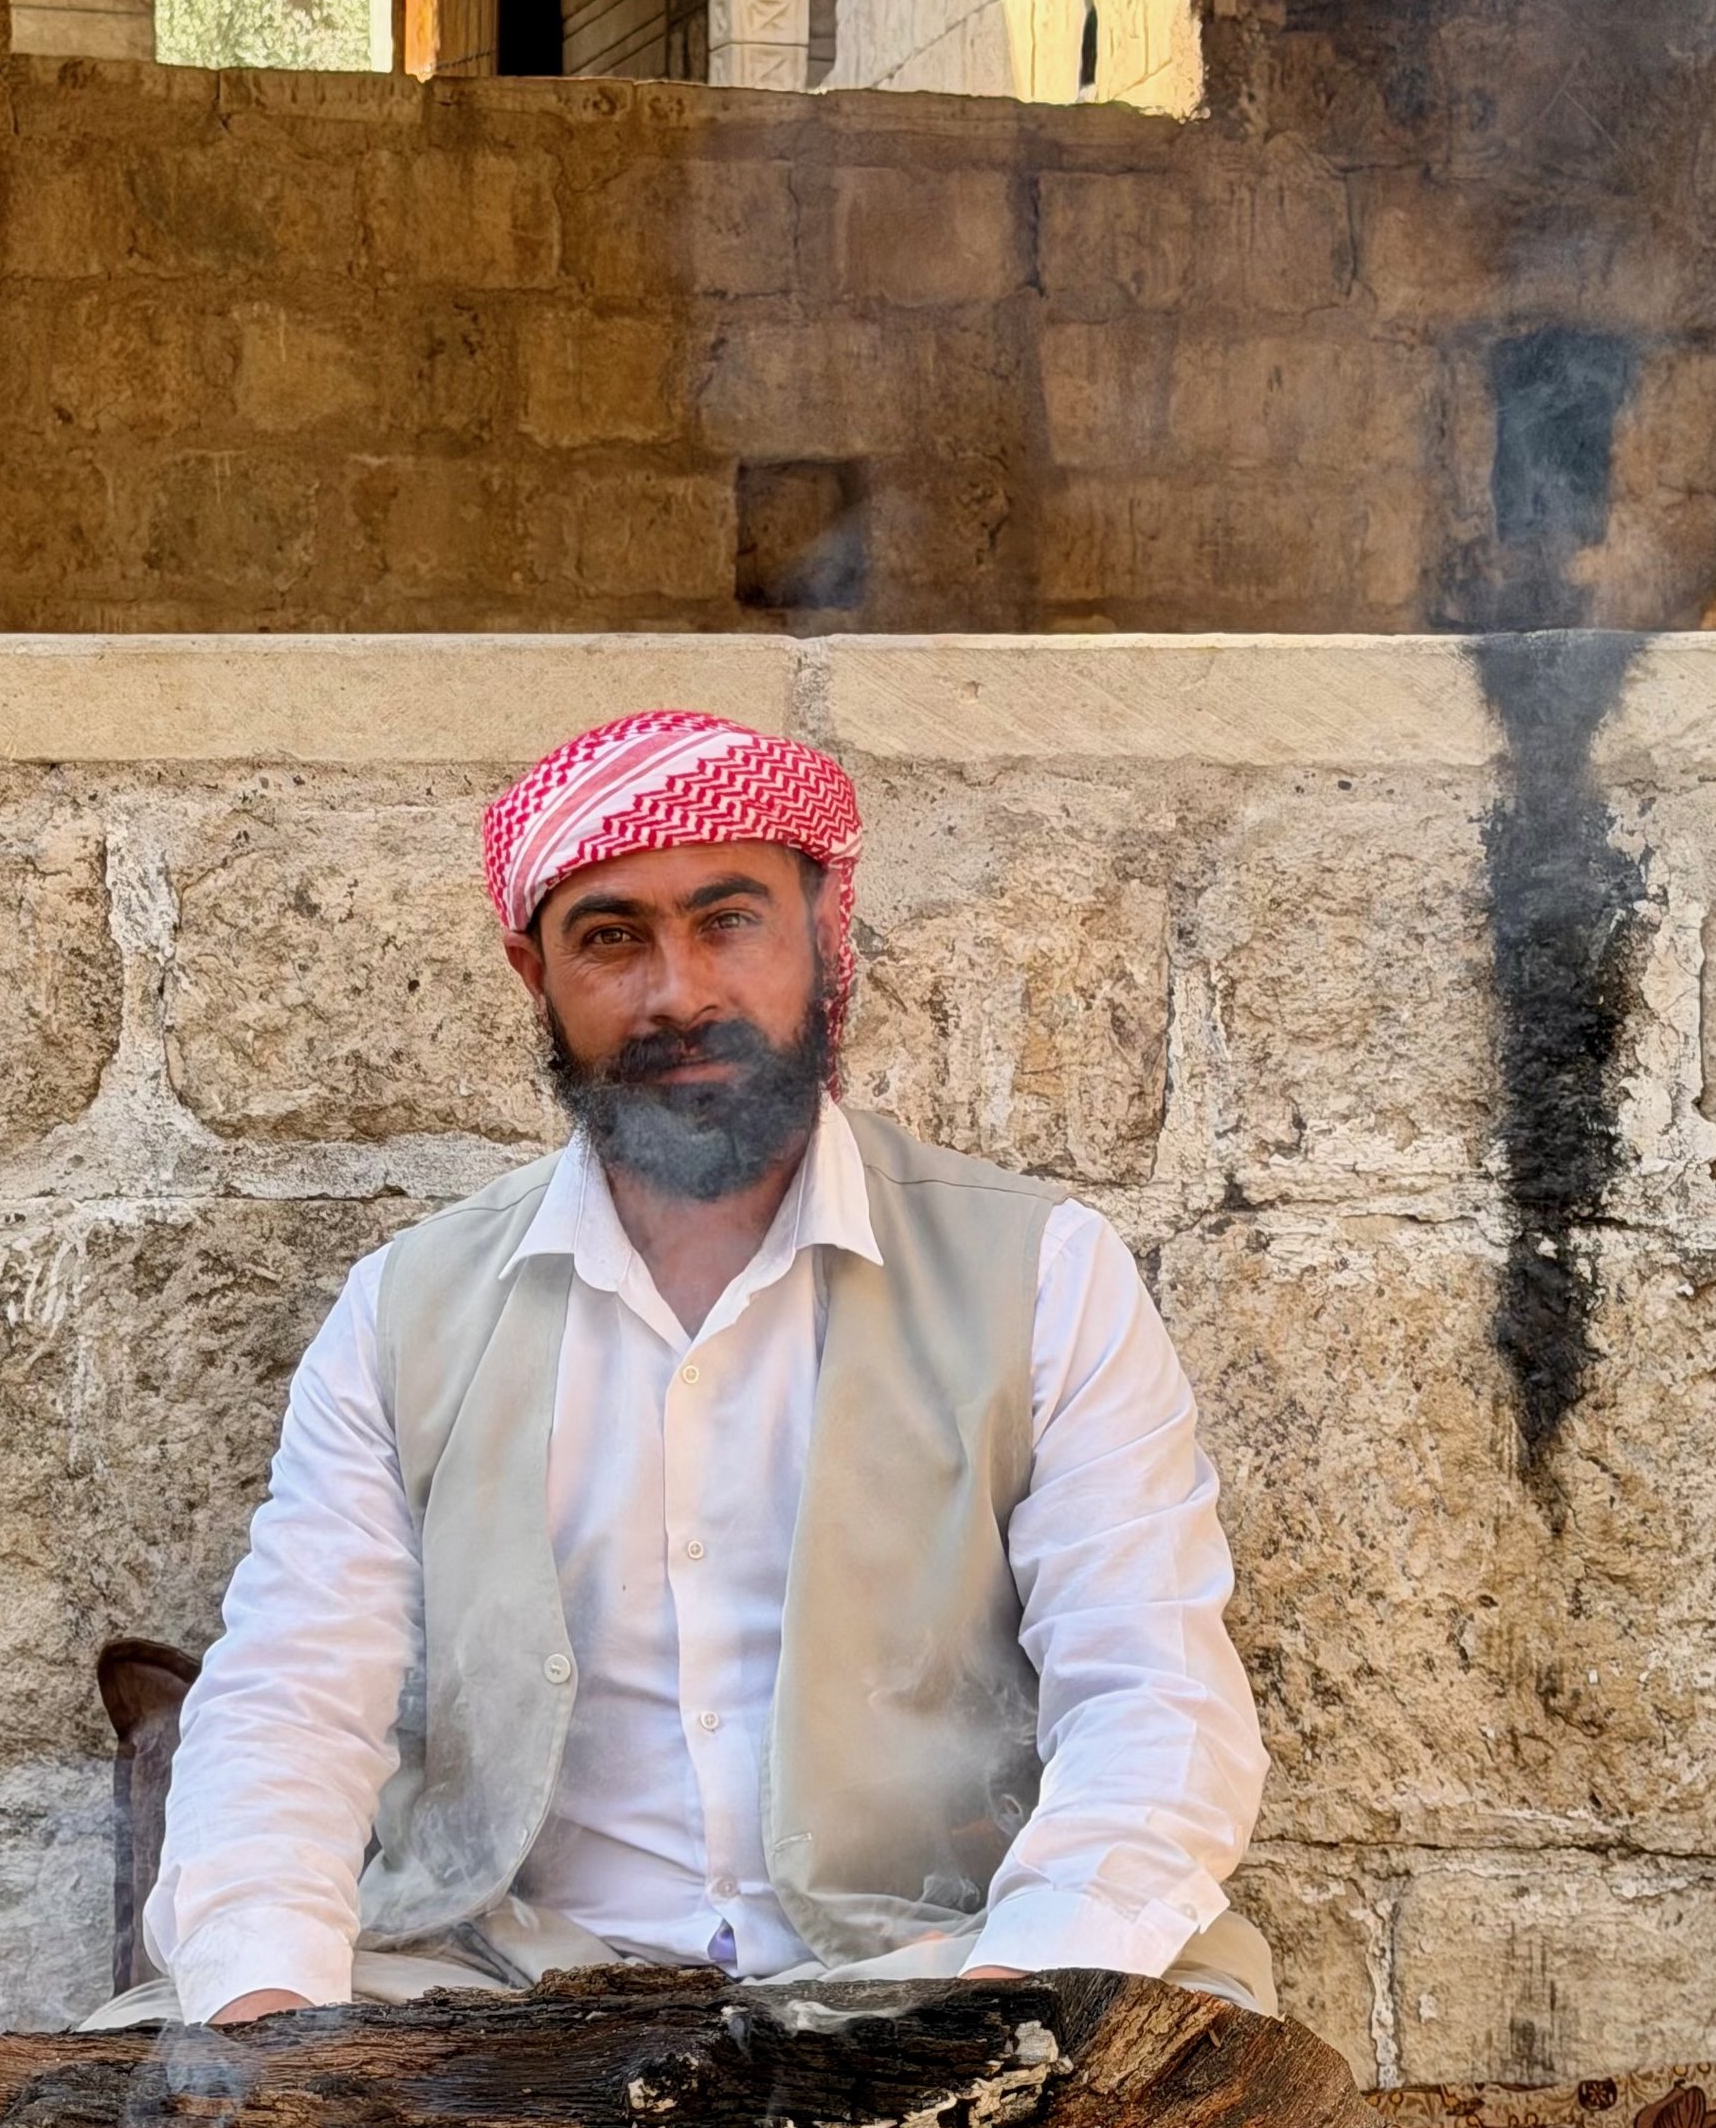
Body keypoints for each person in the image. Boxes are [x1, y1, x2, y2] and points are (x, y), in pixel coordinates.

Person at [89, 708, 1272, 2035]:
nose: (679, 992)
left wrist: (1013, 2006)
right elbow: (292, 1702)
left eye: (730, 921)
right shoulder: (406, 1311)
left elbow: (1153, 1694)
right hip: (511, 2004)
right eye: (613, 939)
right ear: (530, 971)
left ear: (828, 941)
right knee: (133, 2116)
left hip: (938, 1968)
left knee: (1178, 2084)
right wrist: (270, 2033)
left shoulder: (1044, 1275)